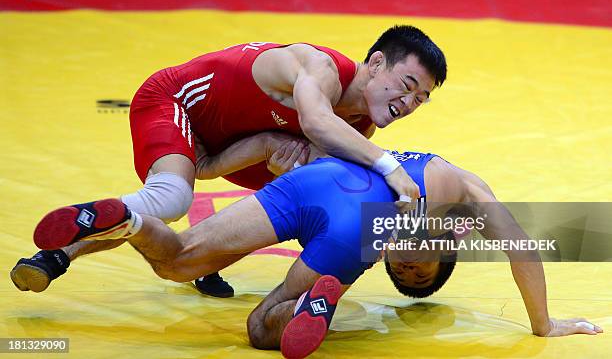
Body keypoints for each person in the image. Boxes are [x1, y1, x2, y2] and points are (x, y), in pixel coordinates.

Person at [30, 135, 603, 359]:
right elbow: (524, 246)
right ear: (444, 255)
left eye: (404, 275)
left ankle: (127, 220)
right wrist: (544, 324)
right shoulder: (461, 202)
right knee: (260, 328)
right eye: (421, 272)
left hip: (318, 180)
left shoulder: (431, 173)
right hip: (351, 221)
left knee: (177, 260)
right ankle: (308, 307)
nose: (406, 267)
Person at [11, 25, 447, 297]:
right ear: (375, 64)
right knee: (172, 197)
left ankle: (205, 258)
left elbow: (271, 144)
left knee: (286, 208)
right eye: (406, 84)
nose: (409, 103)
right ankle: (55, 256)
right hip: (179, 104)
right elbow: (314, 121)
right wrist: (389, 166)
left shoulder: (358, 129)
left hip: (233, 142)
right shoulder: (320, 68)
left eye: (421, 98)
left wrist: (224, 165)